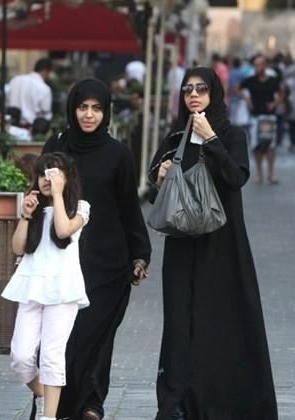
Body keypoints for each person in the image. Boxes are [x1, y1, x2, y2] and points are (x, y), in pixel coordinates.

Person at [148, 67, 277, 420]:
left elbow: (236, 177)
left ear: (214, 93)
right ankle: (176, 401)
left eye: (201, 88)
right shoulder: (175, 137)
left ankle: (222, 399)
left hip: (222, 243)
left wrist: (211, 140)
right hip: (181, 243)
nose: (193, 94)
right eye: (187, 89)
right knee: (179, 321)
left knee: (219, 318)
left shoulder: (231, 134)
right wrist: (158, 177)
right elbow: (154, 190)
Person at [42, 79, 151, 420]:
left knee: (97, 334)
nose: (89, 115)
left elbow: (129, 207)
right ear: (72, 109)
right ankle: (59, 405)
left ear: (106, 112)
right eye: (82, 107)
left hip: (107, 261)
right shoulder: (57, 147)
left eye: (97, 108)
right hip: (61, 258)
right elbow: (41, 197)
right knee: (64, 335)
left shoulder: (118, 154)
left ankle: (92, 403)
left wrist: (140, 254)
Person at [2, 152, 91, 420]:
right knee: (20, 356)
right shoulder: (34, 208)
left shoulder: (81, 208)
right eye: (42, 174)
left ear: (67, 177)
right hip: (32, 286)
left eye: (53, 173)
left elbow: (63, 230)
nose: (46, 179)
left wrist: (59, 196)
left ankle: (49, 416)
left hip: (63, 289)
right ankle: (44, 395)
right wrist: (26, 215)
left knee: (52, 355)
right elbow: (18, 248)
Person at [239, 54, 281, 184]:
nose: (258, 67)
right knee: (256, 145)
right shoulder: (250, 80)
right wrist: (247, 100)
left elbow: (282, 92)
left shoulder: (273, 80)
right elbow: (238, 89)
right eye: (255, 65)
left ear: (265, 65)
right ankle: (259, 173)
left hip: (270, 117)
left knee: (270, 146)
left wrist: (275, 103)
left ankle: (271, 174)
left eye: (260, 65)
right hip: (256, 117)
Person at [7, 58, 53, 127]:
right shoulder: (44, 88)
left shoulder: (15, 79)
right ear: (45, 71)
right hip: (31, 128)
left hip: (10, 126)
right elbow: (46, 115)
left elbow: (6, 100)